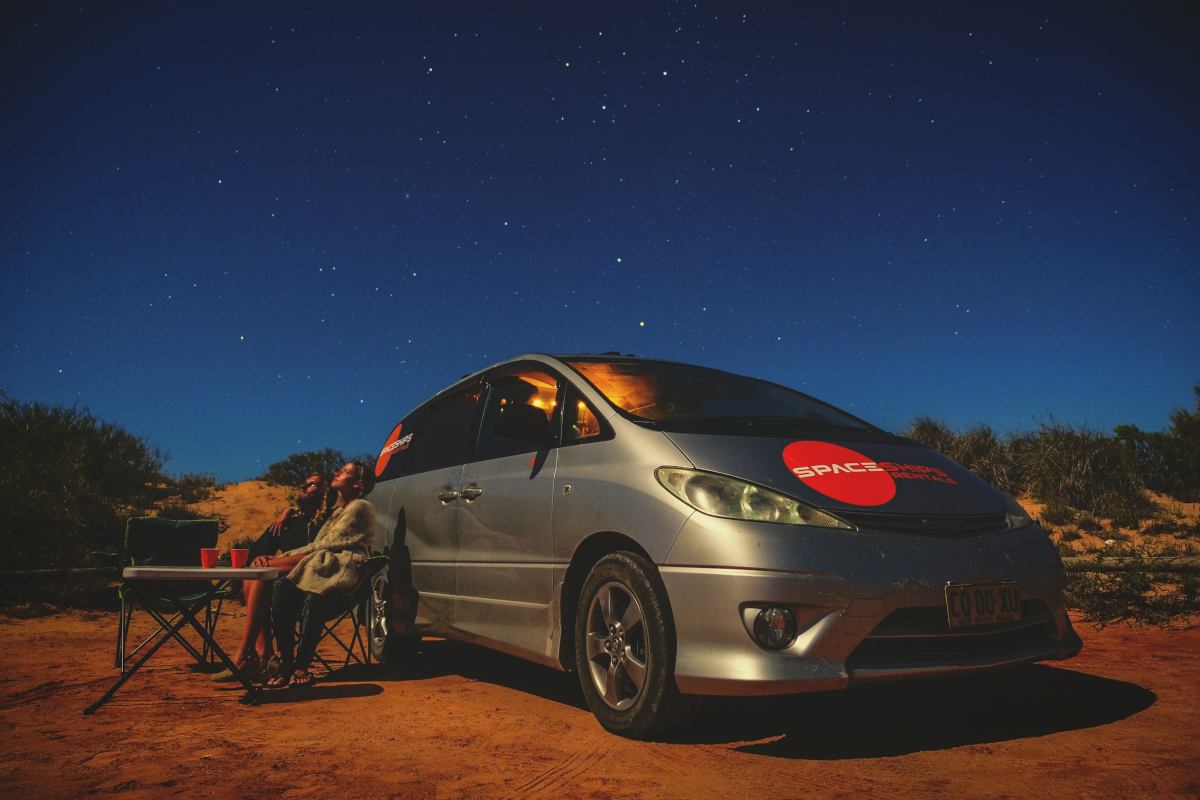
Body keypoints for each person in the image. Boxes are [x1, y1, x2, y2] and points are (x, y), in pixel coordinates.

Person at [266, 460, 379, 688]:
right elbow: (318, 544)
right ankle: (287, 661)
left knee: (314, 594)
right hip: (324, 567)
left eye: (346, 471)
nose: (338, 472)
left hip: (341, 573)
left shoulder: (360, 507)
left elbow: (328, 544)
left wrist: (279, 559)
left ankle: (301, 666)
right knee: (281, 587)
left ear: (358, 484)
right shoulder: (338, 510)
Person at [212, 473, 330, 682]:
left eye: (315, 484)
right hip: (283, 585)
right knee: (252, 576)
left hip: (310, 584)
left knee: (262, 577)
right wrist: (259, 557)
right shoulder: (288, 522)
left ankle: (245, 655)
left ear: (324, 493)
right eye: (305, 482)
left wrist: (271, 562)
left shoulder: (328, 521)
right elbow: (255, 552)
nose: (306, 486)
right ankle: (264, 657)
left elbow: (320, 555)